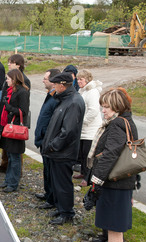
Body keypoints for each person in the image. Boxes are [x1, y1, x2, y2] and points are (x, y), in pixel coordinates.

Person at [87, 88, 138, 242]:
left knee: (115, 227)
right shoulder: (125, 121)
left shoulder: (117, 124)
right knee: (111, 225)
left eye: (106, 107)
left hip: (115, 183)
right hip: (120, 182)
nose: (103, 111)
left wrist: (96, 182)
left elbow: (109, 155)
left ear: (117, 106)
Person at [41, 72, 85, 225]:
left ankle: (66, 213)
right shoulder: (65, 100)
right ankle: (61, 208)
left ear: (62, 85)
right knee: (57, 182)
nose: (53, 86)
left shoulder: (73, 102)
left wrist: (53, 147)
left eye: (55, 84)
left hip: (63, 153)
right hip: (58, 152)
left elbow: (68, 131)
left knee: (63, 184)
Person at [0, 54, 31, 173]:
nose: (8, 64)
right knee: (6, 144)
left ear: (18, 65)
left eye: (11, 62)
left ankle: (15, 172)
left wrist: (9, 108)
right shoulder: (9, 78)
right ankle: (5, 165)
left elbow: (23, 106)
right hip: (6, 116)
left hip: (14, 120)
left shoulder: (24, 82)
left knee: (15, 149)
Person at [0, 69, 30, 192]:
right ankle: (8, 180)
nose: (6, 81)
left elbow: (23, 111)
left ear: (14, 79)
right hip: (9, 127)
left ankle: (13, 183)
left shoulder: (22, 92)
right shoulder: (12, 91)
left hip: (16, 130)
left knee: (15, 158)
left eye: (8, 79)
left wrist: (8, 107)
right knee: (10, 156)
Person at [33, 68, 61, 209]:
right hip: (44, 138)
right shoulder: (50, 95)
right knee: (46, 170)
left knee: (51, 171)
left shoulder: (57, 98)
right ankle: (48, 193)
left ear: (53, 81)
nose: (43, 80)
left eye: (45, 78)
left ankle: (52, 199)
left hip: (48, 139)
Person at [75, 69, 103, 187]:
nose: (78, 81)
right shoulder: (83, 91)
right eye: (77, 79)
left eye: (81, 79)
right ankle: (83, 172)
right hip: (83, 130)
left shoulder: (92, 92)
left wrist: (82, 122)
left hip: (90, 130)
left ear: (87, 79)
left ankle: (88, 177)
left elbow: (93, 111)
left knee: (88, 155)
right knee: (81, 153)